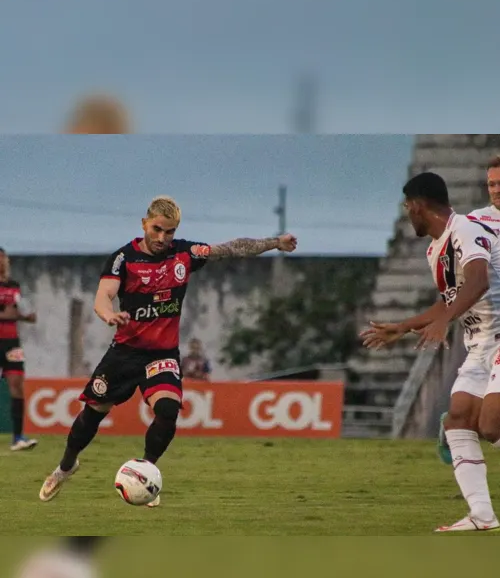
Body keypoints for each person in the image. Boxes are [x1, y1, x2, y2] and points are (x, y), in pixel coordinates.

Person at [39, 195, 297, 506]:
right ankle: (66, 467)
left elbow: (231, 248)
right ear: (144, 224)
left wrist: (275, 243)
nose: (163, 238)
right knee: (92, 415)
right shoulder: (123, 258)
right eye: (157, 229)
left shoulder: (185, 254)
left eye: (170, 231)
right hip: (124, 352)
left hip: (162, 354)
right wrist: (108, 315)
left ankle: (146, 474)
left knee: (167, 411)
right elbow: (103, 296)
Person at [361, 172, 500, 533]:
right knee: (457, 420)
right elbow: (447, 301)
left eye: (408, 206)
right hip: (480, 344)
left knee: (490, 423)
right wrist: (404, 326)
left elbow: (479, 280)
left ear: (420, 205)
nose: (407, 214)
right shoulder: (433, 249)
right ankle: (482, 516)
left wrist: (446, 321)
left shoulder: (465, 229)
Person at [437, 155, 500, 463]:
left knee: (489, 424)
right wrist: (449, 317)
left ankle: (460, 422)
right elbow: (457, 279)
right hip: (489, 331)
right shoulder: (475, 222)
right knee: (488, 424)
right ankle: (459, 422)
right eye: (492, 184)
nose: (496, 190)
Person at [0, 248, 38, 451]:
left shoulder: (14, 286)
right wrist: (22, 316)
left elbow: (14, 311)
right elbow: (10, 314)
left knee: (17, 385)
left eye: (3, 258)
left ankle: (18, 438)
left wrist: (21, 315)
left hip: (11, 343)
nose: (2, 262)